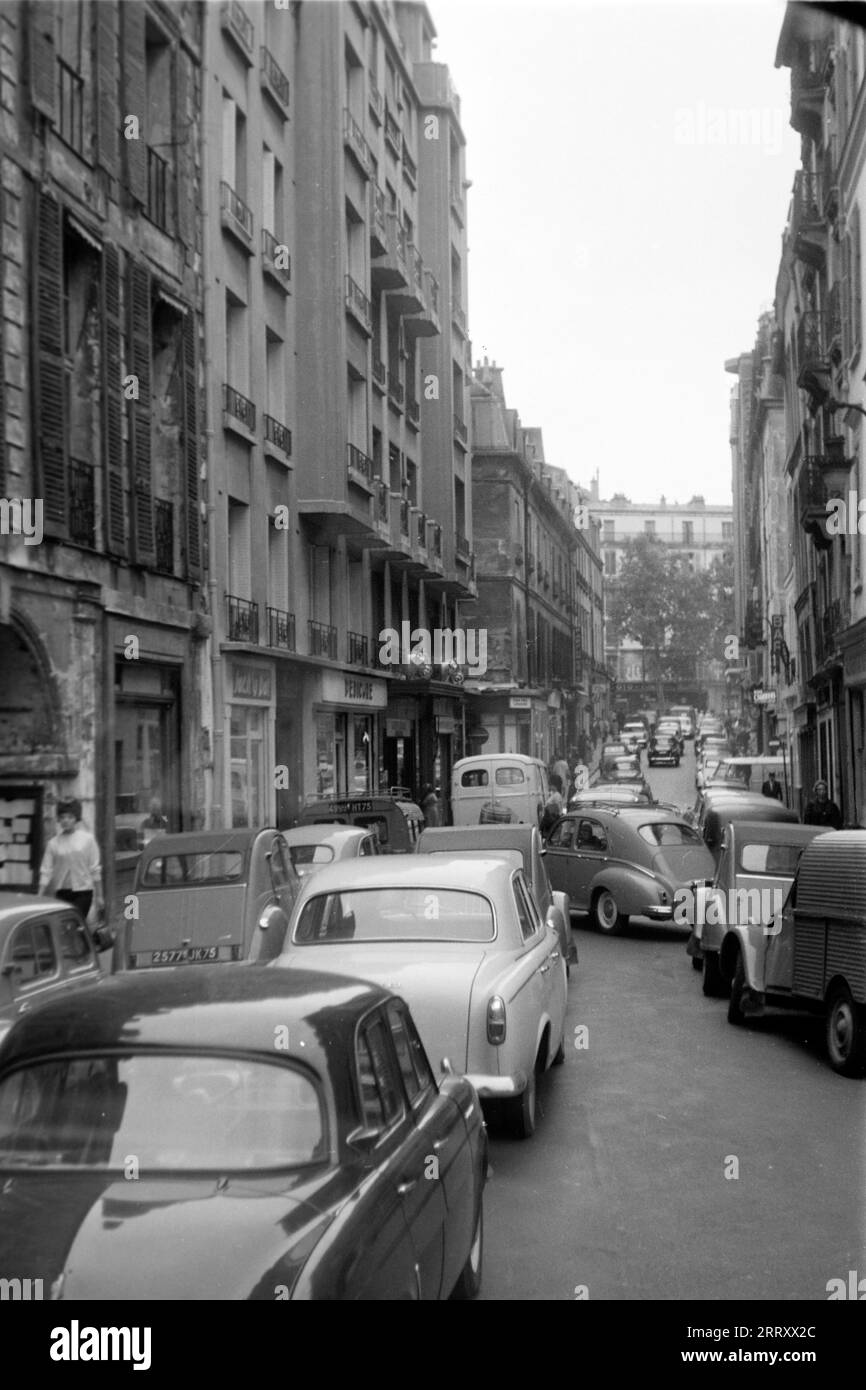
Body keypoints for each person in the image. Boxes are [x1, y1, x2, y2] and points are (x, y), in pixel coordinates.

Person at [39, 797, 103, 922]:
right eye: (62, 817)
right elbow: (46, 871)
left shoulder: (87, 840)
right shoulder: (53, 844)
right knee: (63, 926)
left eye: (70, 817)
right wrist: (39, 895)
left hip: (83, 892)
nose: (66, 821)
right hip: (61, 892)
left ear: (76, 819)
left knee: (76, 924)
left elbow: (95, 869)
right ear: (59, 820)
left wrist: (100, 896)